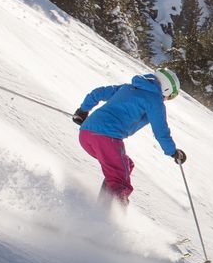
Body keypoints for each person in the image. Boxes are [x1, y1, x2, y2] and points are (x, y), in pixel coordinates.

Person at [73, 68, 187, 206]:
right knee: (120, 180)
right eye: (171, 96)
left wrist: (82, 111)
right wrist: (173, 151)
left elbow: (98, 93)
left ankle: (104, 202)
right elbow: (160, 131)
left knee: (125, 166)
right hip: (107, 138)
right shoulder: (155, 101)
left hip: (85, 134)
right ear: (166, 89)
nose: (167, 99)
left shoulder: (128, 87)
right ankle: (108, 214)